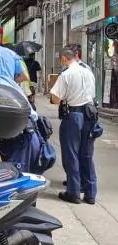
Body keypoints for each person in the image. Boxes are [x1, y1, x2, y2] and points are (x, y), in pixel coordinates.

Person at [50, 47, 97, 205]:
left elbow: (56, 99)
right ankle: (90, 194)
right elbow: (92, 95)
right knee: (87, 155)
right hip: (90, 115)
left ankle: (74, 192)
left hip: (74, 115)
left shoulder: (66, 74)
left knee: (71, 154)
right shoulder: (88, 72)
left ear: (64, 58)